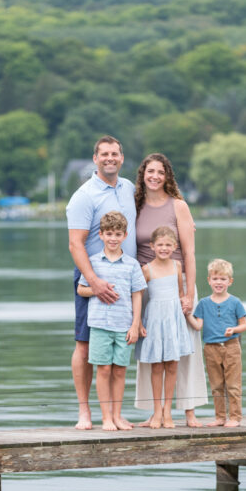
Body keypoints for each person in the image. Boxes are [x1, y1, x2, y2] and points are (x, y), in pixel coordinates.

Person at [66, 136, 137, 430]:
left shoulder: (129, 188)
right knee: (85, 345)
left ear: (122, 158)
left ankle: (115, 413)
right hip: (92, 278)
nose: (110, 158)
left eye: (115, 154)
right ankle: (85, 412)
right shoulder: (84, 195)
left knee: (118, 355)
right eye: (104, 154)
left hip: (125, 278)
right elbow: (75, 243)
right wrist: (94, 282)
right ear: (95, 158)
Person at [133, 153, 207, 427]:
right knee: (151, 349)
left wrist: (187, 294)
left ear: (167, 176)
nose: (155, 176)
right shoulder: (135, 205)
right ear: (142, 174)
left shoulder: (179, 206)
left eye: (160, 172)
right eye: (150, 171)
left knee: (184, 348)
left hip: (178, 284)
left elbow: (189, 252)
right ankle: (156, 411)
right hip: (148, 284)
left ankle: (188, 411)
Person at [76, 211, 146, 431]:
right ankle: (106, 417)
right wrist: (97, 290)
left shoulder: (132, 265)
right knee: (104, 370)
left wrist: (135, 324)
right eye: (109, 234)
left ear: (125, 235)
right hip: (100, 325)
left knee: (120, 371)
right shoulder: (93, 263)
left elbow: (137, 294)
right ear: (101, 235)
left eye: (117, 234)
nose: (113, 238)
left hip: (124, 327)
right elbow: (81, 289)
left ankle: (117, 415)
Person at [134, 226, 193, 429]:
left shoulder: (177, 266)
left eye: (168, 245)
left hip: (173, 320)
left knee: (172, 365)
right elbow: (139, 298)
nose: (164, 248)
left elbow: (179, 292)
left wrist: (185, 307)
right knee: (157, 366)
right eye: (160, 245)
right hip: (155, 320)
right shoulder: (146, 269)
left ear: (175, 246)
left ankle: (168, 409)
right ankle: (157, 410)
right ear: (152, 246)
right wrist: (139, 322)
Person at [185, 258, 246, 428]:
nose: (218, 282)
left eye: (222, 279)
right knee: (216, 385)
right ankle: (220, 417)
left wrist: (233, 330)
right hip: (211, 349)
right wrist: (187, 315)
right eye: (215, 279)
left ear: (230, 281)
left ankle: (235, 417)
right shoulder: (204, 303)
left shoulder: (235, 302)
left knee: (233, 385)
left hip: (231, 347)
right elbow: (198, 326)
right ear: (209, 280)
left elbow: (244, 325)